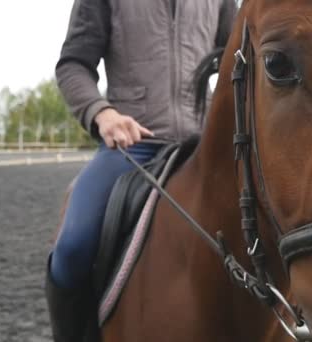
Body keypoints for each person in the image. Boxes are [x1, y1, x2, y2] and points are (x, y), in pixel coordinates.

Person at [46, 1, 237, 341]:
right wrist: (101, 113)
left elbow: (239, 57)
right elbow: (73, 64)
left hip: (204, 143)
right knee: (72, 246)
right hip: (134, 143)